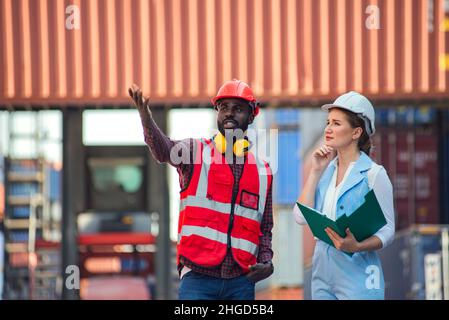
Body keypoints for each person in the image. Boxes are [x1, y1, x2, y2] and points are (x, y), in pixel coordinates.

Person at [129, 79, 274, 300]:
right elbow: (163, 150)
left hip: (241, 282)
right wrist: (146, 119)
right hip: (198, 278)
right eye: (223, 107)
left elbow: (265, 228)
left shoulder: (263, 171)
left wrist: (266, 262)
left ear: (252, 116)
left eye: (238, 109)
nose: (229, 114)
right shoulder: (193, 152)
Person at [293, 91, 395, 300]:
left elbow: (388, 230)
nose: (328, 129)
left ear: (356, 132)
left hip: (358, 271)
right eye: (328, 122)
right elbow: (300, 216)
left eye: (337, 124)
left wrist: (357, 246)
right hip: (322, 269)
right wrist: (314, 171)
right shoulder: (325, 172)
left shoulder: (374, 175)